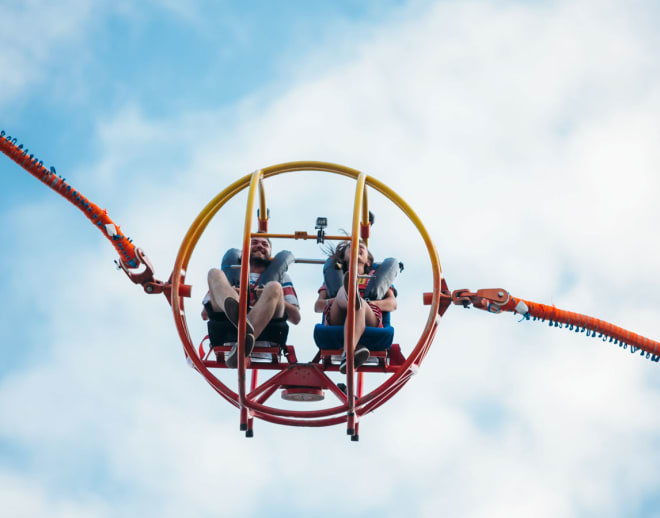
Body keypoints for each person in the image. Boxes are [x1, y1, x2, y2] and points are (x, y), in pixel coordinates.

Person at [203, 235, 301, 368]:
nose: (260, 246)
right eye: (254, 243)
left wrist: (269, 296)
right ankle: (235, 311)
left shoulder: (282, 277)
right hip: (226, 323)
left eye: (265, 244)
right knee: (214, 273)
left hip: (268, 326)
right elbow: (205, 314)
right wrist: (231, 291)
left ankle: (242, 343)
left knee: (274, 287)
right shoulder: (228, 275)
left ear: (270, 254)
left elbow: (295, 317)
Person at [314, 240, 397, 374]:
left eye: (361, 247)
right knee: (344, 291)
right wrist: (342, 299)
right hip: (339, 313)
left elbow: (392, 304)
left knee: (359, 304)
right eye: (350, 247)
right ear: (344, 258)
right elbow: (318, 306)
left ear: (368, 261)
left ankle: (348, 352)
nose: (356, 248)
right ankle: (351, 298)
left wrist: (368, 303)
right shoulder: (334, 279)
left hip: (369, 316)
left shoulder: (375, 278)